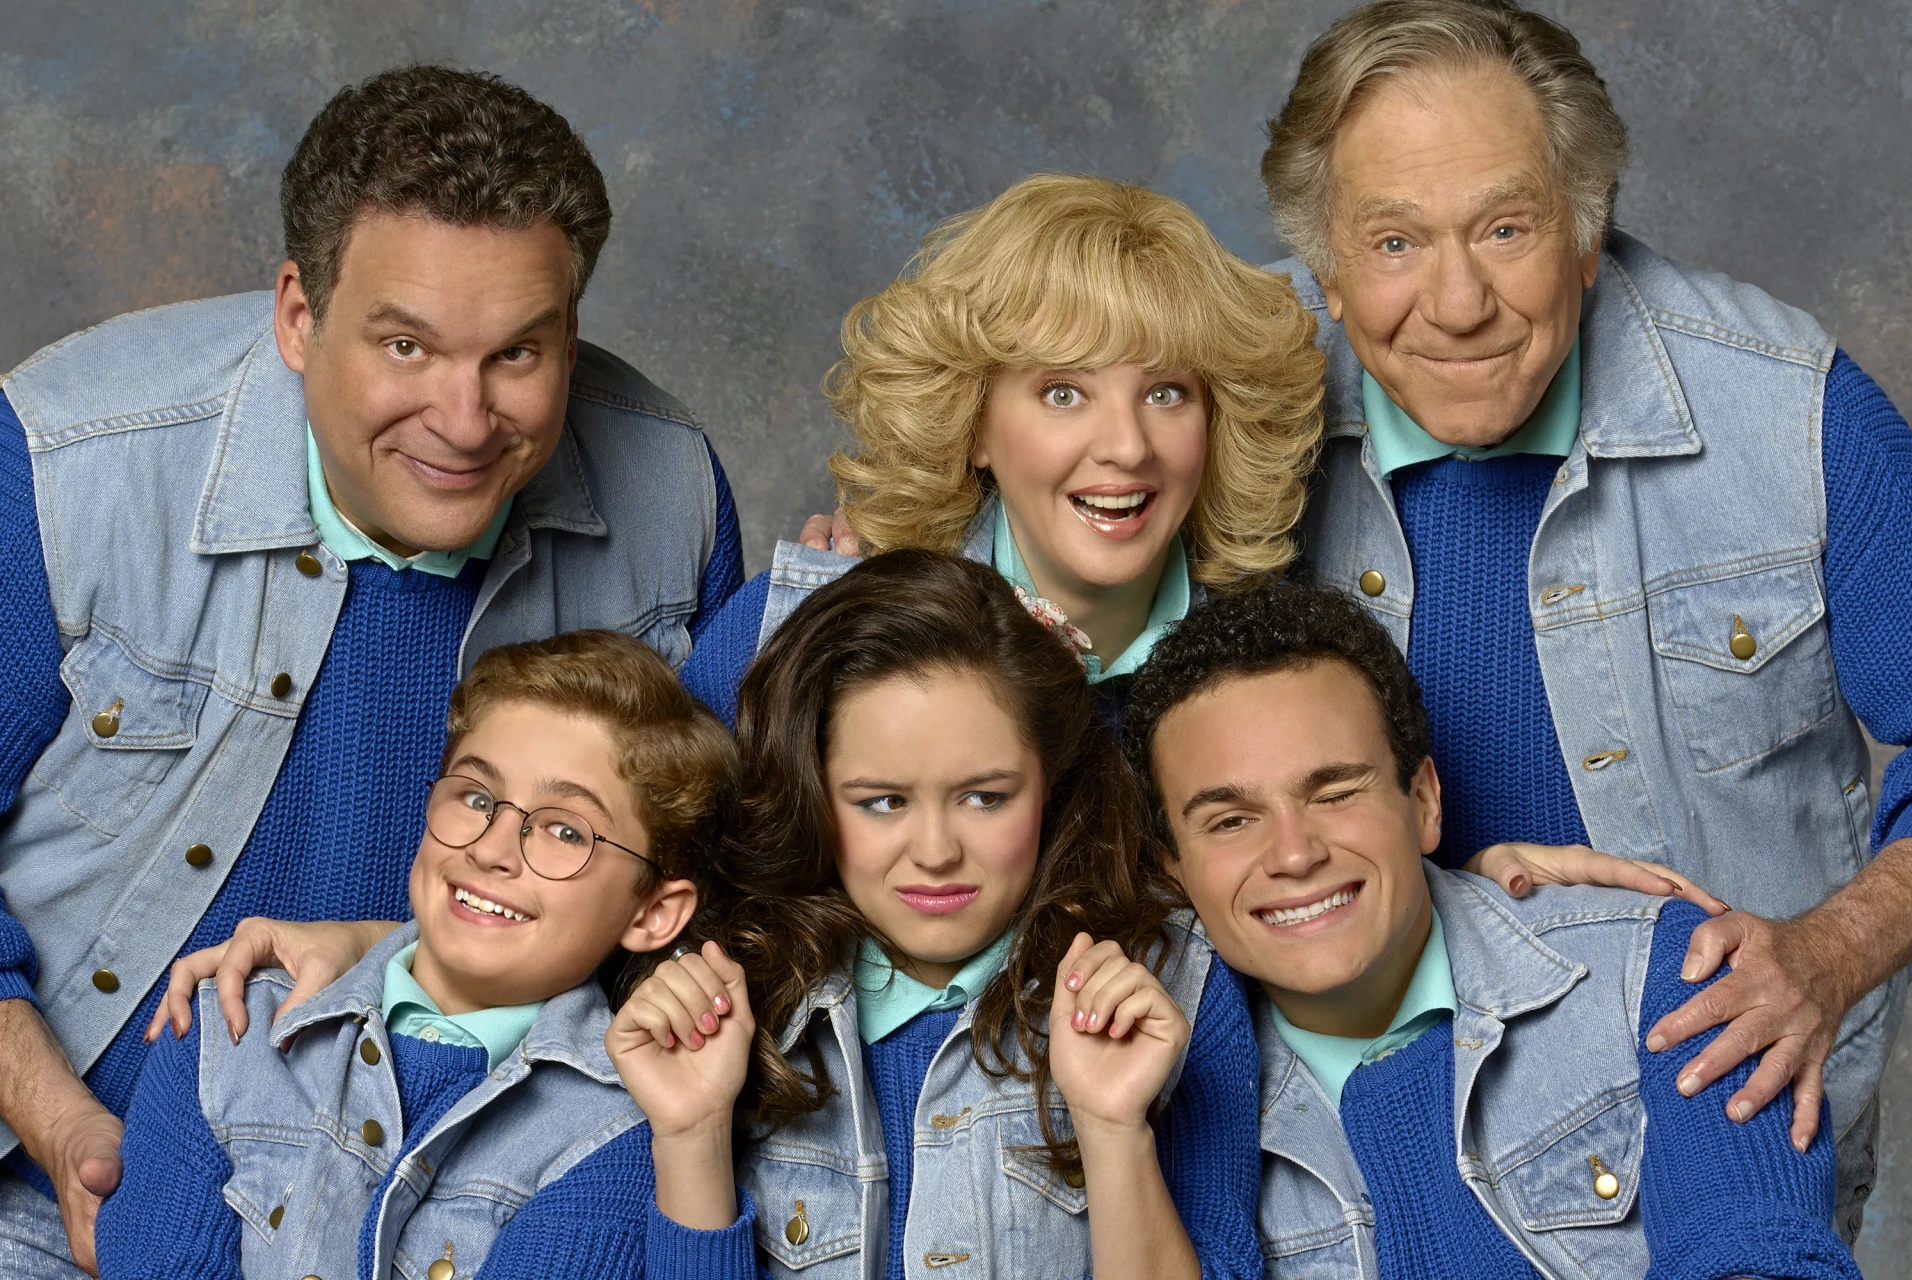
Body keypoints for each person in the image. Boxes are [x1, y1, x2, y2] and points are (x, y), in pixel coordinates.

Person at [0, 66, 742, 1275]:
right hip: (46, 1178)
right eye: (407, 344)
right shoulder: (67, 461)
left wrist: (376, 941)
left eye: (519, 354)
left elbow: (694, 888)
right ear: (298, 312)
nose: (461, 417)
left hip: (467, 1210)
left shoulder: (668, 495)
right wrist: (52, 1111)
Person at [1258, 0, 1912, 1235]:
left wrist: (1830, 953)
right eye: (1394, 241)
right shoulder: (1210, 396)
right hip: (1322, 1171)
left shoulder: (1788, 414)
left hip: (1715, 1151)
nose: (1456, 303)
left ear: (1586, 224)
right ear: (1326, 269)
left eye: (1505, 227)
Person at [1125, 580, 1860, 1279]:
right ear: (1175, 871)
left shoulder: (1666, 971)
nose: (1294, 854)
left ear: (1423, 803)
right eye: (1231, 821)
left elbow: (1759, 1245)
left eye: (1336, 791)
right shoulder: (1165, 1113)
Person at [616, 551, 1264, 1279]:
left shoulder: (1174, 976)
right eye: (882, 801)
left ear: (1050, 783)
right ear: (814, 792)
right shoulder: (728, 989)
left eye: (985, 797)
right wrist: (691, 1136)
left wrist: (1114, 1135)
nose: (935, 853)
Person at [94, 631, 756, 1279]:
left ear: (652, 913)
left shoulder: (613, 1137)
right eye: (476, 798)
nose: (491, 848)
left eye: (564, 831)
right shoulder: (227, 1026)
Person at [678, 172, 1326, 728]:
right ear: (974, 425)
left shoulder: (1291, 668)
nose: (1128, 447)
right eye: (1064, 394)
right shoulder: (784, 641)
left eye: (1166, 394)